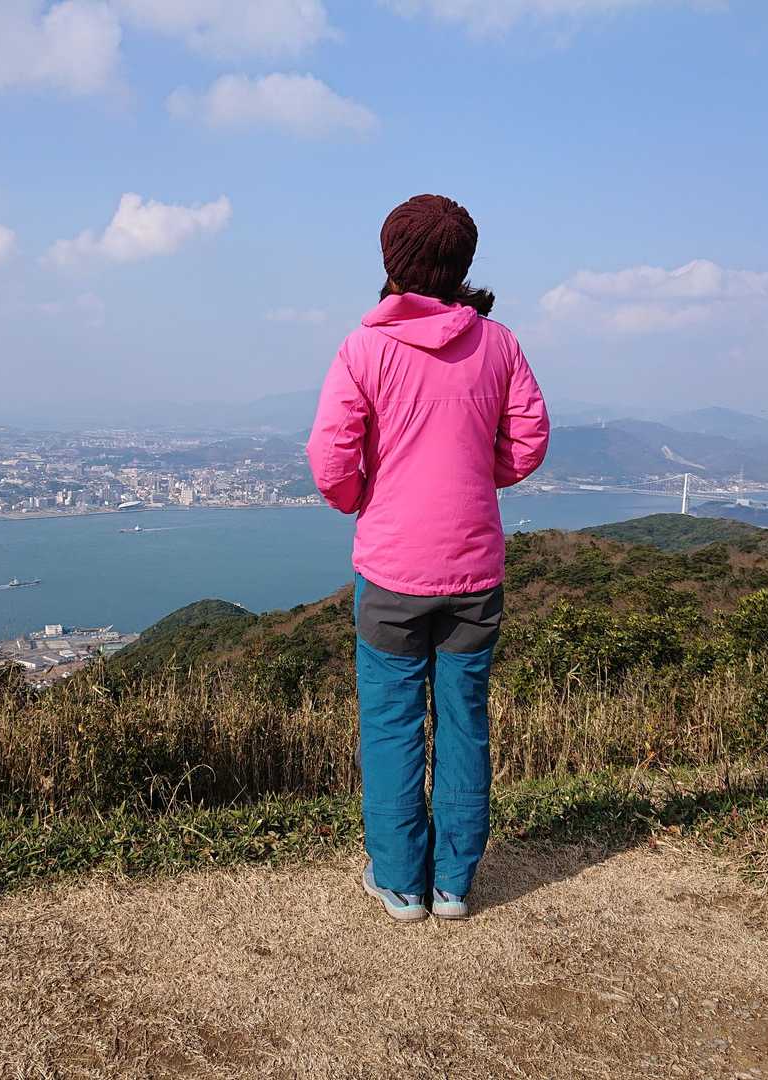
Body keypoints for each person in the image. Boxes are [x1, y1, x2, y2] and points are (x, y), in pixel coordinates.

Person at [306, 194, 550, 921]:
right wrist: (477, 474)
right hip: (474, 570)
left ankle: (399, 880)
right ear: (462, 261)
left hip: (391, 571)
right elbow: (528, 441)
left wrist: (365, 496)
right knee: (464, 718)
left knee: (391, 724)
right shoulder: (498, 344)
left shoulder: (364, 348)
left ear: (392, 258)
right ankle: (452, 884)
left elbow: (330, 461)